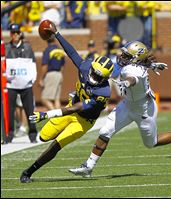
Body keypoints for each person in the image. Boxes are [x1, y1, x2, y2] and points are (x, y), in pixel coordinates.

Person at [68, 41, 171, 177]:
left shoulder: (133, 70)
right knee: (105, 131)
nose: (122, 56)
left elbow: (133, 78)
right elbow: (127, 68)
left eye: (126, 55)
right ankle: (88, 167)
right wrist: (149, 64)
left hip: (144, 110)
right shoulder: (135, 64)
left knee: (151, 142)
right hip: (127, 104)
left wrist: (126, 82)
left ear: (136, 57)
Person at [19, 21, 114, 183]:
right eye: (94, 73)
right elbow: (71, 53)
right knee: (43, 136)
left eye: (99, 77)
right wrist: (57, 34)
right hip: (71, 107)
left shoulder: (102, 93)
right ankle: (54, 131)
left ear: (105, 78)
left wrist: (45, 114)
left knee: (56, 145)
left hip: (83, 120)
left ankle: (28, 172)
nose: (94, 77)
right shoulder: (85, 67)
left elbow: (76, 108)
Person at [4, 23, 38, 144]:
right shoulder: (6, 48)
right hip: (11, 85)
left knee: (29, 110)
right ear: (10, 34)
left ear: (20, 34)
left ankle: (33, 134)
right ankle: (9, 135)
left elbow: (33, 64)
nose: (15, 35)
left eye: (17, 33)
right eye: (13, 33)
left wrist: (32, 79)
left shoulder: (27, 47)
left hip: (26, 85)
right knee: (9, 111)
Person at [39, 37, 65, 110]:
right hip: (59, 74)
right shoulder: (60, 50)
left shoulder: (48, 50)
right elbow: (62, 65)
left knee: (44, 99)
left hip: (51, 74)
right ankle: (59, 118)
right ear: (55, 39)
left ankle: (55, 114)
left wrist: (41, 79)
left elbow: (45, 66)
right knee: (56, 99)